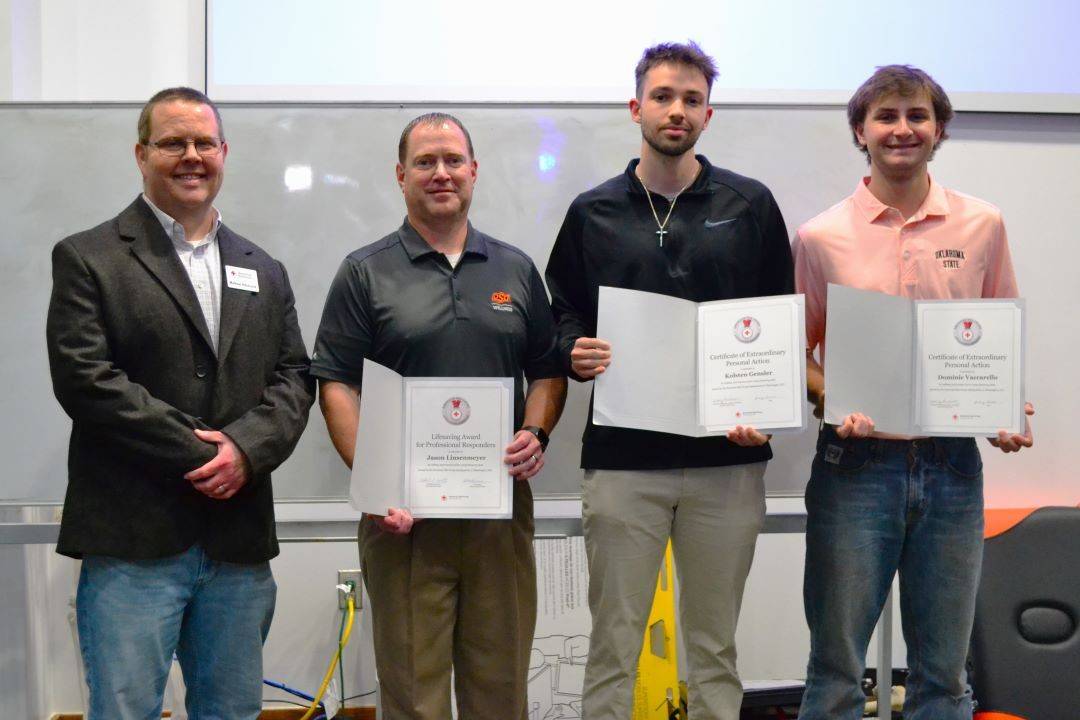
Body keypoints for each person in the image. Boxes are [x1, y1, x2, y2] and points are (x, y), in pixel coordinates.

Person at [46, 87, 315, 719]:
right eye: (172, 143)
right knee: (124, 710)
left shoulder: (263, 267)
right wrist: (202, 451)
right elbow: (86, 379)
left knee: (232, 712)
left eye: (203, 143)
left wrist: (245, 451)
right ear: (141, 154)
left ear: (224, 153)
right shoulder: (90, 257)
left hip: (237, 547)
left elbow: (295, 377)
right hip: (132, 544)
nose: (190, 156)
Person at [545, 42, 793, 719]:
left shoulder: (750, 205)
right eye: (662, 96)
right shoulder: (593, 210)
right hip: (625, 463)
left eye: (690, 99)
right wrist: (575, 349)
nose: (676, 110)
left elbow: (777, 319)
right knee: (614, 643)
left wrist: (765, 406)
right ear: (636, 108)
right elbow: (558, 310)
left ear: (707, 114)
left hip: (728, 462)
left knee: (713, 647)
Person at [793, 65, 1035, 720]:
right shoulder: (820, 236)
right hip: (855, 469)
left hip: (954, 466)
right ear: (860, 132)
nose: (903, 129)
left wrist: (1007, 409)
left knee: (945, 675)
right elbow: (797, 356)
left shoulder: (983, 225)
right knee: (836, 671)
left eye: (917, 116)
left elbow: (994, 340)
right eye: (887, 117)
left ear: (940, 129)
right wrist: (836, 395)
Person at [311, 113, 567, 719]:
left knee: (500, 690)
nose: (441, 172)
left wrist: (535, 431)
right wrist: (378, 484)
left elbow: (548, 371)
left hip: (497, 518)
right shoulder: (364, 271)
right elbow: (336, 383)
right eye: (425, 162)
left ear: (474, 171)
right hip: (404, 521)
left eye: (453, 160)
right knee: (413, 694)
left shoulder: (515, 269)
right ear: (401, 176)